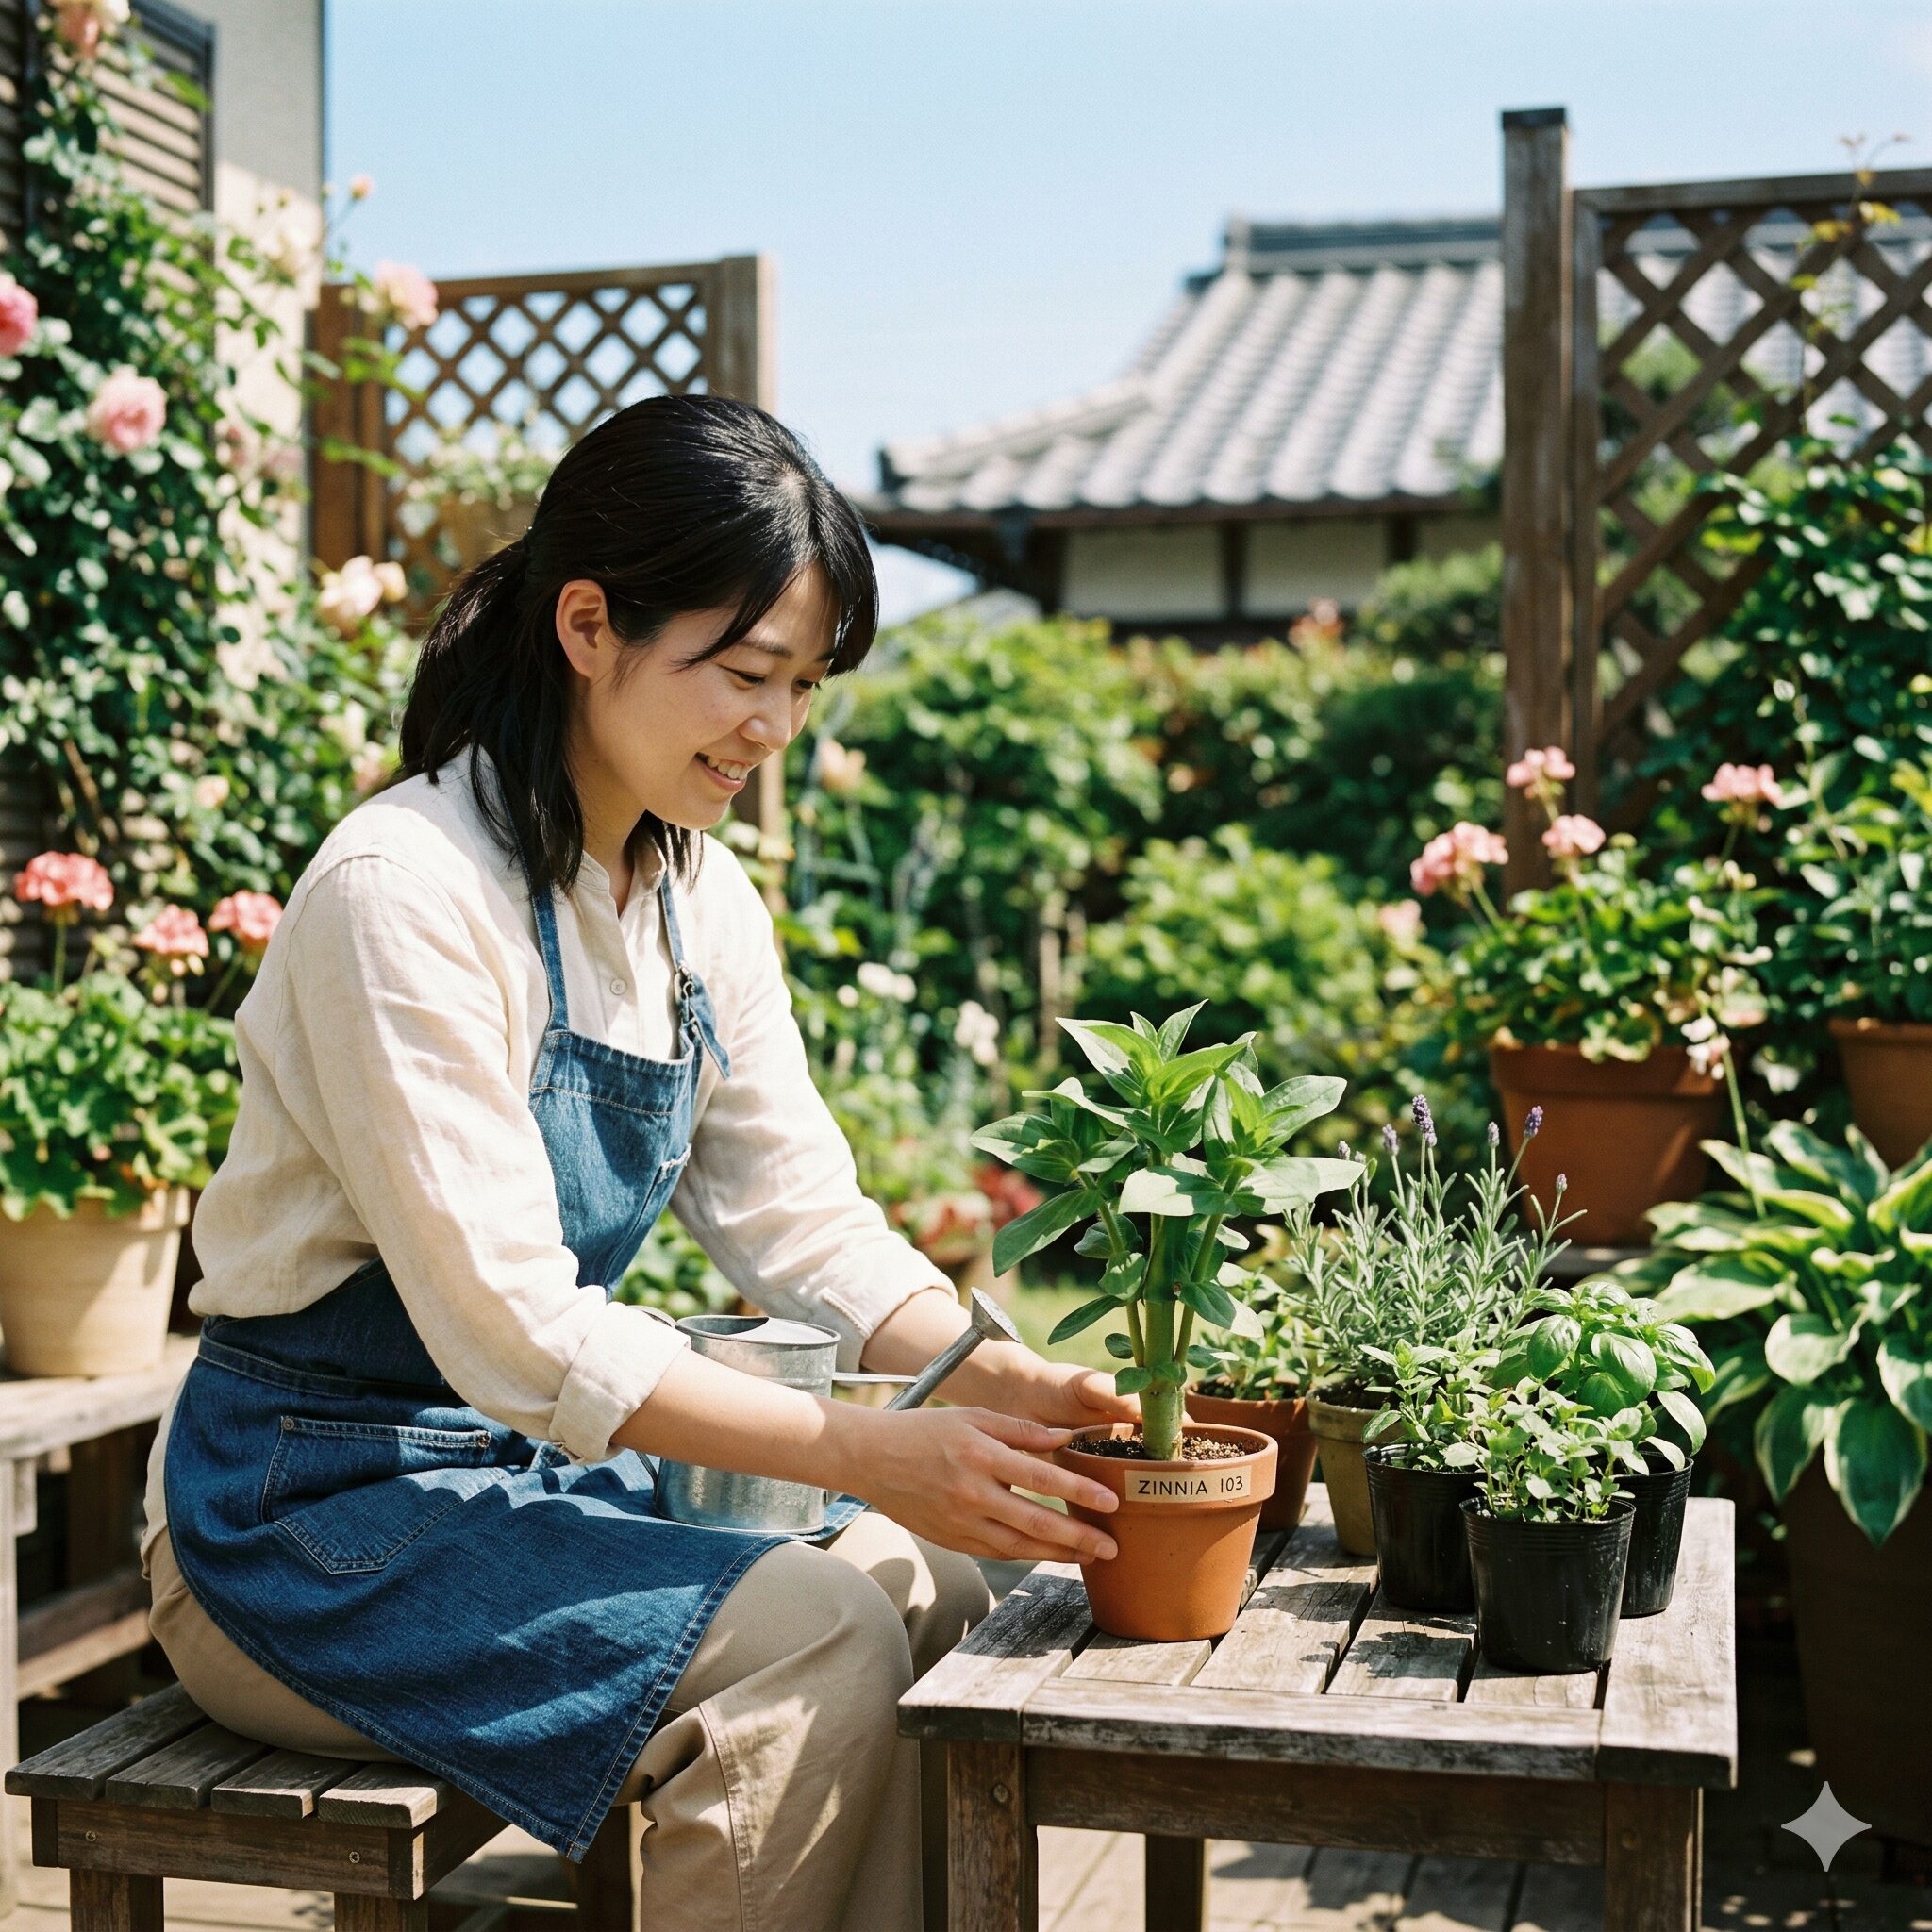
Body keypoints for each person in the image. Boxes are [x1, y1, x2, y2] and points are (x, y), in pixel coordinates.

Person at [142, 395, 1134, 1932]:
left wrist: (986, 1379)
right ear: (588, 626)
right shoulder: (401, 894)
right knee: (815, 1634)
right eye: (743, 674)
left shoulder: (696, 900)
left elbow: (802, 1221)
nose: (774, 728)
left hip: (523, 1479)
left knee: (926, 1575)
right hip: (295, 1525)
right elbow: (516, 1331)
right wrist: (865, 1449)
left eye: (803, 685)